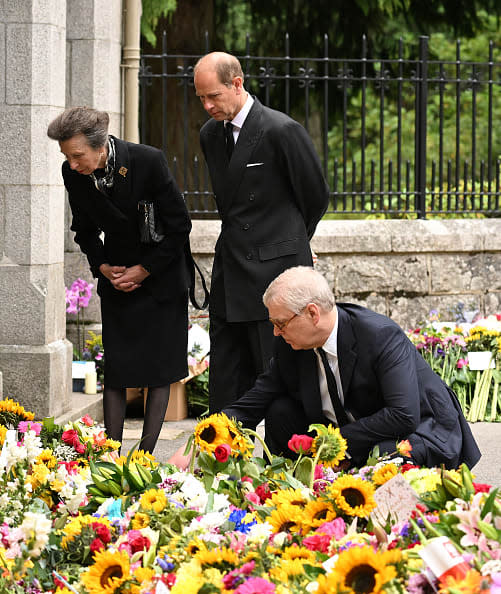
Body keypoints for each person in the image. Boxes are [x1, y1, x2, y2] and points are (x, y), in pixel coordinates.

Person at [170, 266, 481, 470]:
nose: (276, 333)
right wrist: (198, 442)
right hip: (351, 430)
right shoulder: (292, 344)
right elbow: (253, 403)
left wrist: (327, 445)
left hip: (419, 429)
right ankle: (292, 486)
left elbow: (403, 415)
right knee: (278, 410)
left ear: (312, 313)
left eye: (280, 323)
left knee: (388, 459)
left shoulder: (378, 335)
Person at [48, 107, 192, 454]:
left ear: (100, 147)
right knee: (117, 369)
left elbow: (179, 226)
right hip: (117, 278)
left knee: (158, 372)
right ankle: (110, 455)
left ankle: (144, 458)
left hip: (161, 276)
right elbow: (83, 230)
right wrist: (103, 267)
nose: (72, 163)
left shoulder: (147, 161)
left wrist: (145, 269)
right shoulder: (74, 174)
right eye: (66, 156)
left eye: (77, 155)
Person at [193, 51, 329, 413]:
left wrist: (296, 244)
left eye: (214, 96)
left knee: (276, 370)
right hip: (231, 269)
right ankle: (223, 450)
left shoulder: (281, 130)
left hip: (277, 272)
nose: (207, 105)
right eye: (201, 98)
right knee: (227, 370)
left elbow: (315, 197)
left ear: (237, 84)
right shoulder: (210, 135)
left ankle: (285, 455)